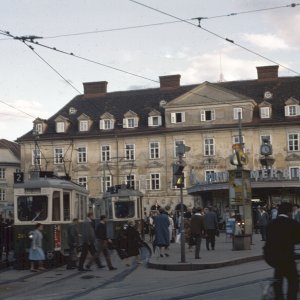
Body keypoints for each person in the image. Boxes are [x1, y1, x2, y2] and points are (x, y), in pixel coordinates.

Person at [264, 202, 300, 300]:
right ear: (289, 212)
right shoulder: (293, 223)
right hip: (287, 258)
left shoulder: (270, 224)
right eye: (292, 212)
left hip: (271, 257)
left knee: (278, 276)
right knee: (293, 280)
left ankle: (278, 296)